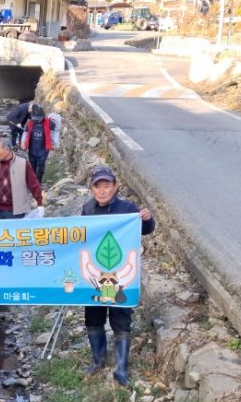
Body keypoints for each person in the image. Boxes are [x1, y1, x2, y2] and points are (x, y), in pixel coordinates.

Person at [81, 165, 156, 385]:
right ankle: (98, 360)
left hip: (121, 275)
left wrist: (146, 218)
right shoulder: (87, 209)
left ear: (115, 186)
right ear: (92, 189)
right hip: (95, 275)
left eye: (107, 186)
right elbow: (80, 237)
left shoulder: (127, 209)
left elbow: (146, 229)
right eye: (98, 187)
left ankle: (121, 368)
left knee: (121, 318)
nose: (102, 191)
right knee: (93, 315)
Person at [0, 137, 43, 220]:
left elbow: (34, 184)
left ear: (7, 150)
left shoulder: (22, 164)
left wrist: (39, 204)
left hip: (17, 212)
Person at [21, 104, 54, 185]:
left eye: (38, 119)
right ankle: (32, 183)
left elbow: (56, 129)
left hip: (43, 150)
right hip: (32, 150)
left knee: (41, 168)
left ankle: (38, 183)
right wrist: (22, 142)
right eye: (35, 119)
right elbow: (25, 132)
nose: (36, 121)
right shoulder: (29, 123)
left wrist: (54, 142)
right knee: (32, 167)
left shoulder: (48, 122)